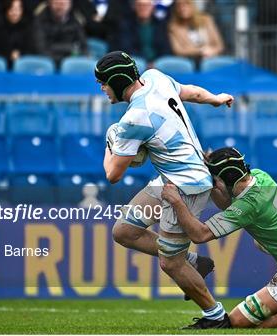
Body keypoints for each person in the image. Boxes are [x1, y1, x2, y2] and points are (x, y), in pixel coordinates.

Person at [95, 50, 234, 329]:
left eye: (104, 82)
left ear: (118, 81)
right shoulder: (155, 77)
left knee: (171, 263)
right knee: (124, 231)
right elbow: (191, 92)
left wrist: (111, 140)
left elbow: (112, 174)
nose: (102, 88)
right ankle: (195, 262)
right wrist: (215, 99)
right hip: (172, 177)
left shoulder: (133, 120)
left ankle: (215, 315)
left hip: (185, 186)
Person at [160, 147, 277, 329]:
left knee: (236, 322)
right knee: (261, 240)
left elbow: (199, 235)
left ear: (224, 180)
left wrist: (176, 201)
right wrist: (215, 178)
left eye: (215, 181)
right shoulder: (260, 175)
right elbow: (228, 204)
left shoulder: (247, 207)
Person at [168, 0, 224, 67]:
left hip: (210, 60)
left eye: (186, 4)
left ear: (193, 5)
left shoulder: (207, 20)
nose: (182, 8)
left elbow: (219, 45)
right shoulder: (173, 27)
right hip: (190, 62)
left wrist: (212, 51)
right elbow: (178, 50)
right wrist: (201, 51)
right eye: (179, 5)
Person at [33, 0, 87, 65]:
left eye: (63, 4)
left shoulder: (76, 21)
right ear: (50, 4)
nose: (60, 7)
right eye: (57, 4)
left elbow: (84, 47)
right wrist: (69, 50)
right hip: (48, 63)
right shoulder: (40, 21)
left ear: (70, 5)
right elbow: (41, 49)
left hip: (71, 64)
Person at [0, 0, 32, 67]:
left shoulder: (27, 25)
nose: (15, 13)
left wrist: (20, 54)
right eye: (11, 9)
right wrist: (9, 55)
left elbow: (31, 47)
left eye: (18, 10)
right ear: (6, 10)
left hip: (21, 65)